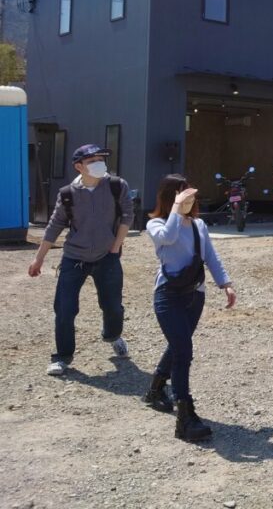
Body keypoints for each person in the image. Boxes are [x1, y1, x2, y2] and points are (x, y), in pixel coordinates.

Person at [28, 144, 135, 376]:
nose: (99, 164)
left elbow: (128, 215)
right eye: (92, 161)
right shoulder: (68, 193)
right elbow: (55, 225)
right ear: (79, 166)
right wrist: (38, 259)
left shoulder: (117, 186)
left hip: (107, 257)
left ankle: (113, 336)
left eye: (101, 159)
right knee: (64, 308)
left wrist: (115, 246)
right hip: (74, 258)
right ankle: (62, 357)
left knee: (113, 306)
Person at [145, 174, 235, 442]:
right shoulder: (155, 225)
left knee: (178, 345)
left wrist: (225, 284)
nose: (188, 200)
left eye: (190, 196)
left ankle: (155, 389)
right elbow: (169, 237)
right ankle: (185, 417)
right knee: (183, 350)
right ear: (169, 198)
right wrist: (176, 208)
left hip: (194, 296)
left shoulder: (199, 225)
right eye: (182, 195)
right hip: (168, 296)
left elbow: (211, 256)